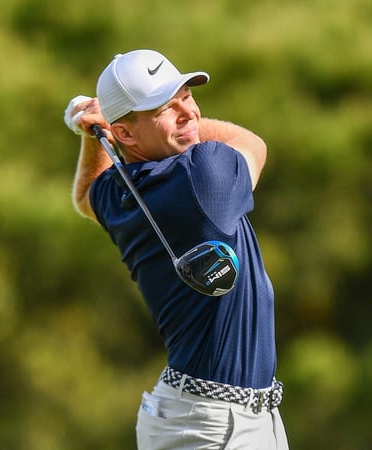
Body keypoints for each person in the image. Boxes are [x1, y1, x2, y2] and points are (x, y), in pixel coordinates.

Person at [63, 49, 288, 449]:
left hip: (210, 417)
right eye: (167, 107)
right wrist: (103, 129)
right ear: (127, 134)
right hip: (214, 428)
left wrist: (94, 134)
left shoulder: (121, 192)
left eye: (187, 96)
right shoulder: (205, 176)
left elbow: (85, 196)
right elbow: (250, 141)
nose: (190, 113)